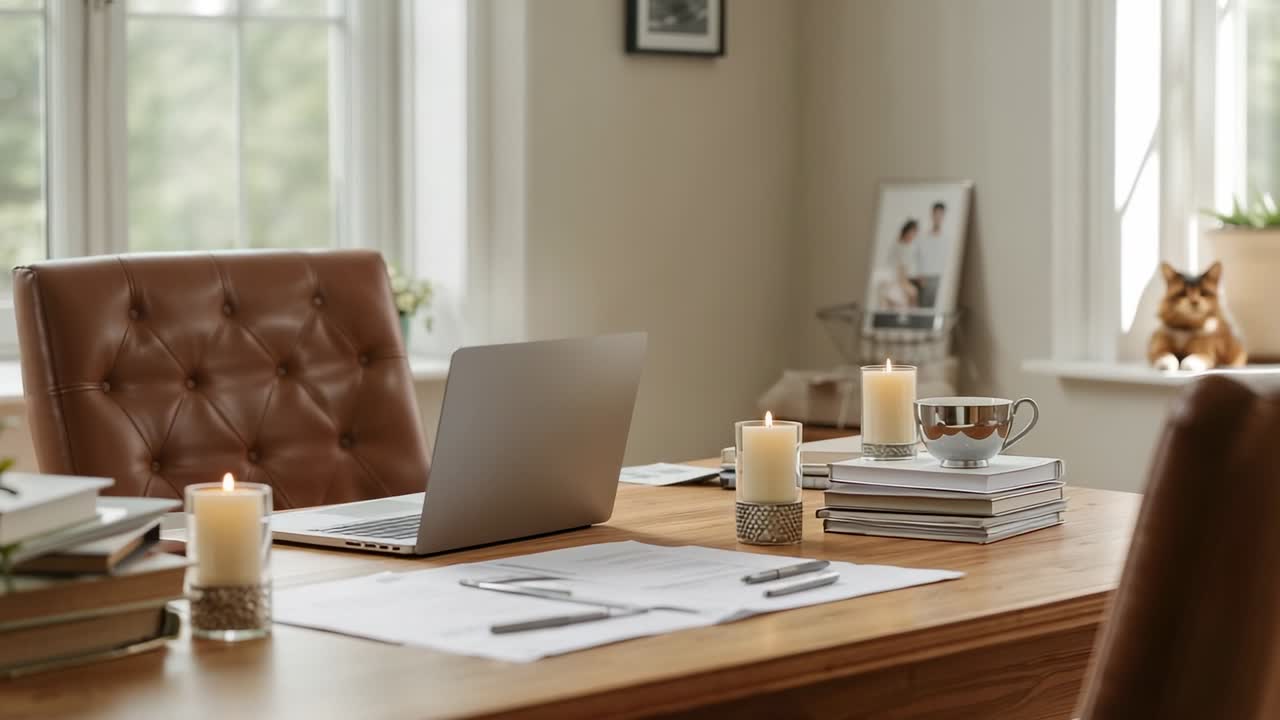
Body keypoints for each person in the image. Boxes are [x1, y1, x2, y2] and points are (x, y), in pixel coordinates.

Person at [875, 218, 923, 310]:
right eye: (912, 232)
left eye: (915, 233)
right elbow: (899, 270)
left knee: (911, 294)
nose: (913, 236)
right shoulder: (900, 247)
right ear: (906, 232)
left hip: (896, 280)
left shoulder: (907, 247)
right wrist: (905, 283)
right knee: (912, 293)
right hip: (893, 280)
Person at [913, 201, 948, 307]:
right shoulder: (923, 237)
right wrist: (919, 275)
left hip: (939, 278)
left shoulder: (947, 238)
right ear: (932, 214)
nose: (938, 217)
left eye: (940, 214)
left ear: (943, 216)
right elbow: (917, 257)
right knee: (923, 307)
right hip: (925, 278)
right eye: (936, 213)